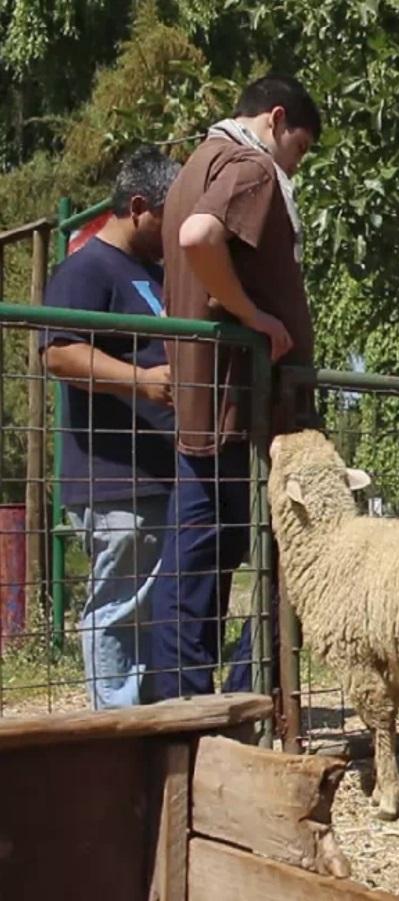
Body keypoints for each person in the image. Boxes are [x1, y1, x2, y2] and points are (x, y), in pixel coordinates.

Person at [144, 73, 322, 702]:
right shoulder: (251, 167)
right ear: (276, 120)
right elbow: (200, 238)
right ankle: (229, 698)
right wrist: (254, 316)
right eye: (300, 148)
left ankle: (195, 699)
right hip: (235, 396)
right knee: (267, 542)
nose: (296, 166)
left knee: (205, 547)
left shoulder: (197, 162)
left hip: (210, 396)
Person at [41, 146, 181, 709]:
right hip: (113, 478)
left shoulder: (155, 274)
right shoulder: (86, 270)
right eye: (169, 215)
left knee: (151, 609)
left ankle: (148, 731)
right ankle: (118, 729)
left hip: (158, 475)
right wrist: (141, 380)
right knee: (120, 608)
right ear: (140, 206)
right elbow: (60, 355)